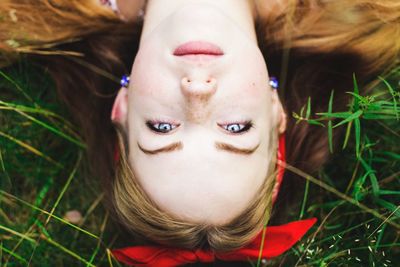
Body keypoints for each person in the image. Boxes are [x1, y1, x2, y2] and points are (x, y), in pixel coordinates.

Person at [1, 0, 399, 266]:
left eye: (161, 128)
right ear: (277, 111)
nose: (197, 93)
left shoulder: (32, 12)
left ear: (121, 107)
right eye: (236, 128)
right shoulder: (363, 9)